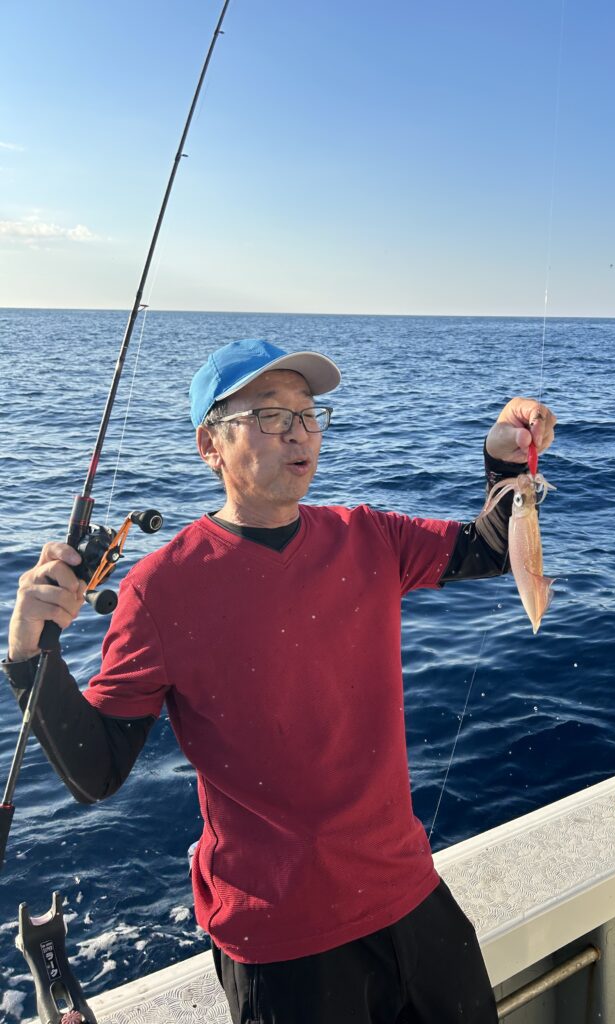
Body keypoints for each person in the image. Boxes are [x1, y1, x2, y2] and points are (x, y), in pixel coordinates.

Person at [4, 338, 557, 1024]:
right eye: (270, 415)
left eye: (308, 413)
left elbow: (494, 549)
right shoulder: (159, 590)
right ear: (210, 446)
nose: (299, 432)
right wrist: (29, 653)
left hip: (410, 895)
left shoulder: (370, 536)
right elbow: (97, 769)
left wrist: (506, 461)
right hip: (283, 942)